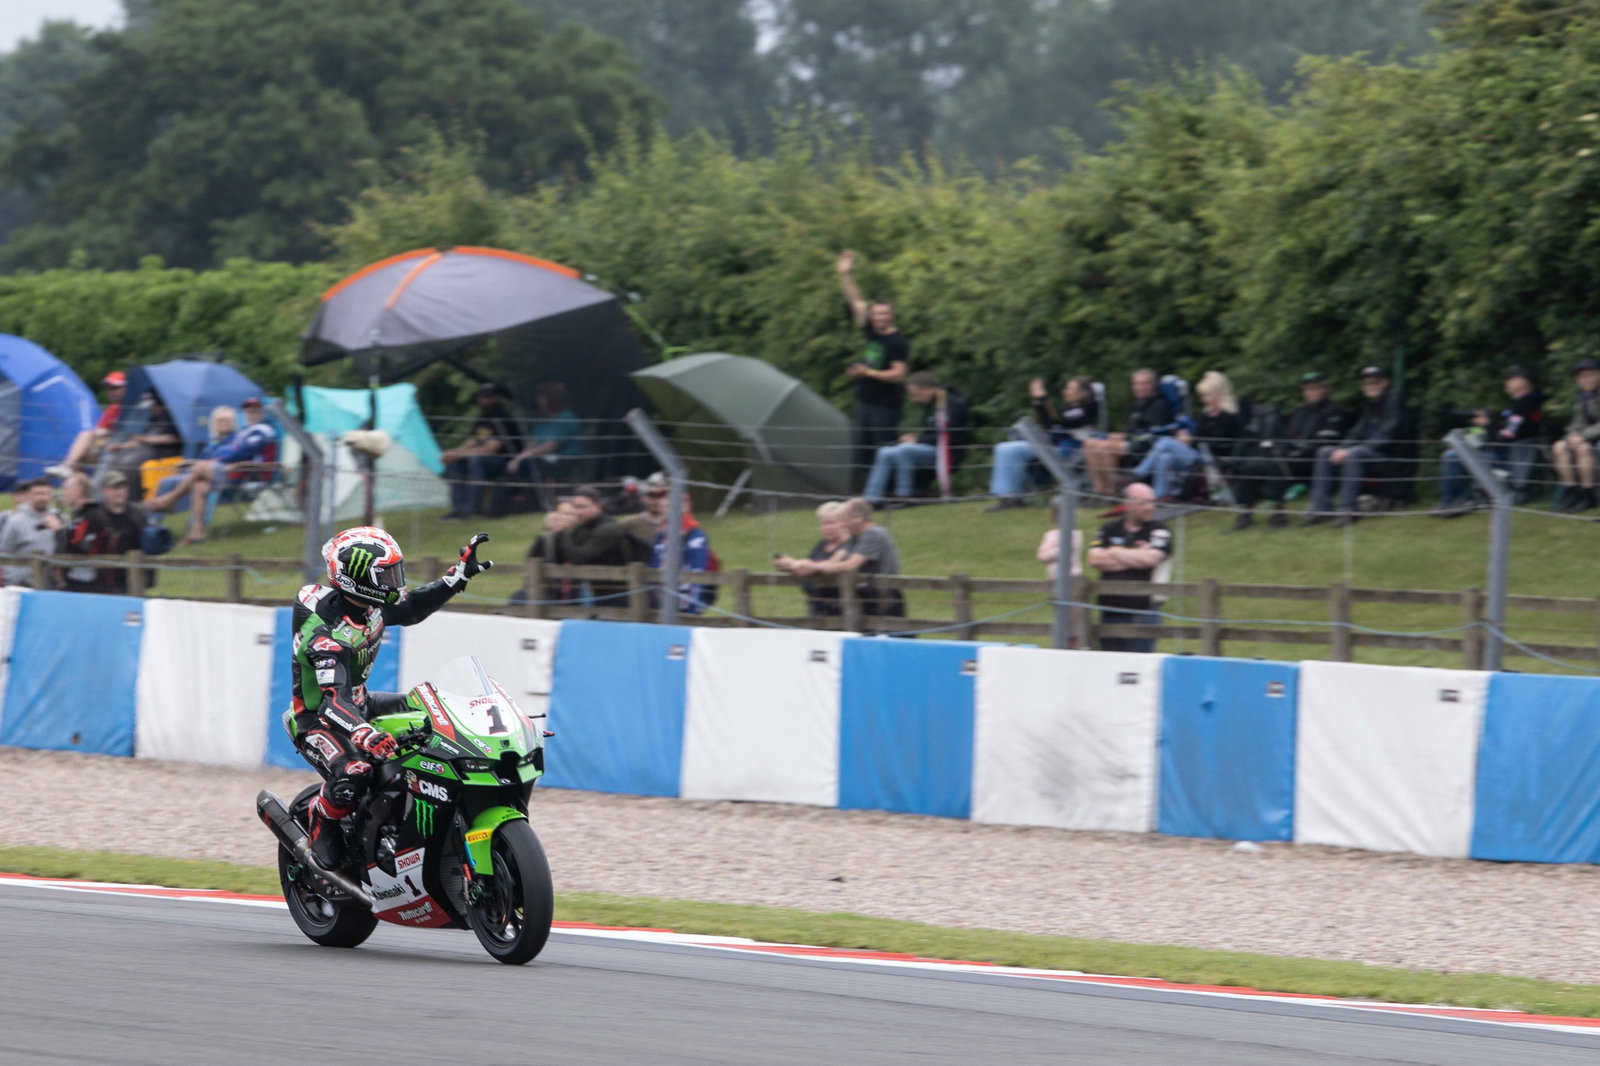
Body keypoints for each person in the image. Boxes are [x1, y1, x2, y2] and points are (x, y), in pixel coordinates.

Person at [290, 526, 493, 868]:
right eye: (385, 575)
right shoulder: (325, 637)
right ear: (357, 579)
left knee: (438, 712)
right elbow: (332, 701)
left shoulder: (369, 606)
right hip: (319, 720)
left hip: (362, 702)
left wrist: (457, 577)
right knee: (355, 771)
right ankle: (321, 819)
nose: (395, 582)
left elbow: (412, 608)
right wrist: (364, 733)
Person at [1229, 371, 1348, 532]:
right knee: (1253, 465)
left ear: (1325, 389)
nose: (1311, 392)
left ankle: (1278, 514)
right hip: (1291, 458)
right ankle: (1245, 512)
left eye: (1315, 388)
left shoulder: (1334, 411)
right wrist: (1283, 451)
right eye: (1307, 389)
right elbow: (1287, 437)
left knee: (1275, 465)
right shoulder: (1300, 411)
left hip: (1315, 461)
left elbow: (1327, 441)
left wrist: (1296, 453)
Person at [148, 398, 278, 544]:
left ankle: (170, 499)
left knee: (200, 468)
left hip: (249, 475)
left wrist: (215, 461)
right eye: (249, 411)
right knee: (199, 485)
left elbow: (243, 452)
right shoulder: (245, 432)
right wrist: (204, 462)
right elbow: (231, 454)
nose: (251, 414)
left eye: (255, 411)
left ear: (262, 412)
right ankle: (197, 531)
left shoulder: (262, 430)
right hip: (227, 471)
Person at [1302, 365, 1412, 527]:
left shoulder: (1394, 401)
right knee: (1325, 451)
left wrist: (1350, 451)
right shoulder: (1370, 404)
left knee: (1355, 453)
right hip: (1368, 453)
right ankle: (1320, 508)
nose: (1370, 386)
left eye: (1374, 382)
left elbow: (1388, 437)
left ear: (1385, 383)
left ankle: (1347, 509)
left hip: (1390, 457)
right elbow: (1356, 432)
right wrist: (1342, 449)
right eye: (1367, 383)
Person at [837, 249, 910, 490]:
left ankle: (892, 494)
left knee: (884, 450)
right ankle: (869, 496)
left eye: (884, 314)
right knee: (864, 451)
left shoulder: (897, 342)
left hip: (884, 406)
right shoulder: (870, 331)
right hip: (864, 402)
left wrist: (868, 373)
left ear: (891, 315)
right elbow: (856, 302)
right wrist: (846, 274)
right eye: (877, 313)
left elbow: (899, 374)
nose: (879, 317)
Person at [1434, 365, 1546, 516]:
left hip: (1509, 461)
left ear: (1524, 381)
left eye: (1510, 378)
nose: (1506, 382)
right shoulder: (1524, 404)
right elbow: (1507, 432)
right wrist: (1490, 425)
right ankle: (1453, 501)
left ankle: (1455, 501)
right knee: (1454, 454)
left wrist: (1488, 424)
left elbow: (1505, 437)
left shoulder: (1524, 405)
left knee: (1452, 456)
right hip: (1508, 457)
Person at [987, 375, 1099, 512]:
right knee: (1006, 448)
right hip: (1052, 446)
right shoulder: (1069, 408)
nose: (1065, 392)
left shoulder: (1087, 409)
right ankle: (1008, 496)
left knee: (1008, 450)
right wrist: (1038, 402)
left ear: (1083, 393)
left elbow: (1059, 419)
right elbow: (1046, 422)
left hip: (1066, 449)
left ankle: (1010, 498)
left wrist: (1043, 398)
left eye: (1070, 389)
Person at [1086, 483, 1172, 654]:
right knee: (1110, 662)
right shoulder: (1108, 529)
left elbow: (1152, 559)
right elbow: (1095, 559)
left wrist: (1114, 551)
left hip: (1144, 612)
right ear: (1129, 504)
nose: (1150, 507)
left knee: (1140, 664)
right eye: (1144, 503)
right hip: (1110, 612)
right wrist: (1137, 554)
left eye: (1152, 502)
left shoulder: (1160, 530)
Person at [862, 372, 971, 505]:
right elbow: (932, 433)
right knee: (884, 452)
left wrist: (918, 440)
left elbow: (947, 436)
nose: (914, 400)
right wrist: (916, 439)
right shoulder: (931, 404)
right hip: (930, 447)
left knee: (904, 450)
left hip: (947, 452)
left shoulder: (949, 403)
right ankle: (871, 499)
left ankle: (904, 495)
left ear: (928, 389)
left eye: (916, 395)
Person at [1133, 370, 1242, 501]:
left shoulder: (1228, 417)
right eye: (1203, 396)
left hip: (1212, 458)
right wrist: (1186, 439)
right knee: (1165, 457)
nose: (1204, 399)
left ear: (1219, 394)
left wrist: (1191, 440)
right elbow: (1199, 438)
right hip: (1198, 454)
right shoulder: (1205, 415)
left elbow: (1219, 443)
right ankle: (1160, 495)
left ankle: (1138, 473)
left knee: (1165, 442)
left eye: (1207, 395)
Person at [789, 497, 904, 619]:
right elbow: (836, 559)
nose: (843, 524)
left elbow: (851, 565)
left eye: (844, 519)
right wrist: (805, 565)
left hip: (885, 601)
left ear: (858, 518)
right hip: (870, 601)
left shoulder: (873, 534)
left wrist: (815, 567)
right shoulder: (855, 537)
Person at [1081, 369, 1177, 497]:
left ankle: (1110, 492)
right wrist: (1120, 436)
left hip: (1146, 447)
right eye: (1136, 384)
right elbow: (1131, 429)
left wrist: (1125, 437)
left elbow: (1149, 434)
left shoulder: (1159, 405)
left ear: (1153, 386)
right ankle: (1098, 490)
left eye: (1143, 384)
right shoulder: (1135, 404)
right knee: (1090, 444)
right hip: (1130, 441)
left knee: (1106, 447)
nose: (1138, 387)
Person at [58, 470, 148, 594]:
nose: (119, 492)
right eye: (114, 488)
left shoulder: (137, 516)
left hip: (130, 581)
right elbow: (77, 544)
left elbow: (147, 547)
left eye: (122, 488)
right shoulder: (94, 515)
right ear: (104, 491)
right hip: (99, 582)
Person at [442, 383, 522, 519]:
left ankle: (474, 508)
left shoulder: (503, 419)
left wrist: (458, 454)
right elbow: (472, 442)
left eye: (490, 397)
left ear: (498, 398)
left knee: (476, 460)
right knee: (458, 463)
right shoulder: (482, 420)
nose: (485, 401)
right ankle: (458, 509)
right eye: (483, 397)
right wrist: (452, 454)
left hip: (504, 461)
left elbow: (490, 449)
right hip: (484, 460)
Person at [501, 382, 582, 514]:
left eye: (541, 397)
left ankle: (535, 505)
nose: (538, 400)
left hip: (563, 459)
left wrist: (520, 459)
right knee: (519, 465)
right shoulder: (543, 419)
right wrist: (518, 458)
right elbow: (533, 442)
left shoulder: (566, 418)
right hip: (543, 459)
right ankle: (503, 507)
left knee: (527, 465)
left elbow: (550, 446)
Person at [552, 485, 634, 604]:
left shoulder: (609, 529)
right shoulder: (581, 528)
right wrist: (557, 534)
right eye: (576, 507)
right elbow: (561, 557)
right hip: (597, 592)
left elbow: (579, 557)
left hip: (623, 594)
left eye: (583, 507)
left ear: (598, 506)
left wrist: (563, 532)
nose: (578, 512)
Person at [644, 484, 715, 615]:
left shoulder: (695, 536)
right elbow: (653, 568)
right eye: (664, 500)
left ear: (686, 505)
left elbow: (697, 573)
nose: (665, 503)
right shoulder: (660, 534)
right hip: (658, 605)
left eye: (671, 501)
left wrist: (693, 610)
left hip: (684, 606)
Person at [774, 500, 850, 616]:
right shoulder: (822, 545)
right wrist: (791, 565)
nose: (827, 528)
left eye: (832, 523)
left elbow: (831, 565)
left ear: (844, 523)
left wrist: (802, 565)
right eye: (823, 524)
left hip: (840, 610)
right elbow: (810, 564)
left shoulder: (849, 546)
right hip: (817, 609)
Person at [47, 370, 126, 479]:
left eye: (114, 388)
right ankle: (71, 476)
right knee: (82, 450)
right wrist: (100, 437)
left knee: (86, 435)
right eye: (108, 388)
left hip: (120, 446)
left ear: (125, 388)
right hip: (105, 444)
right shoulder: (112, 409)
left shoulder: (132, 407)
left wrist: (103, 434)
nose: (110, 391)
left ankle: (67, 467)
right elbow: (99, 430)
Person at [102, 393, 182, 500]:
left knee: (129, 465)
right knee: (116, 460)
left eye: (153, 405)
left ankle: (133, 499)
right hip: (145, 450)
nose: (151, 408)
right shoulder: (153, 419)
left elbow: (173, 438)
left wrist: (147, 439)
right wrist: (120, 447)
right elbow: (139, 441)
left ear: (160, 406)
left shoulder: (172, 420)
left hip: (163, 453)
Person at [1552, 358, 1600, 512]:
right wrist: (1571, 438)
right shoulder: (1582, 398)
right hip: (1588, 437)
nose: (1586, 379)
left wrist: (1582, 437)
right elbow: (1576, 424)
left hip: (1593, 438)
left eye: (1589, 375)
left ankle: (1588, 492)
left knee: (1583, 449)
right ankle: (1571, 490)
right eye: (1582, 377)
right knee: (1559, 447)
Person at [0, 478, 65, 587]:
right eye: (38, 494)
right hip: (22, 583)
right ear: (30, 495)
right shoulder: (16, 521)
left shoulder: (58, 517)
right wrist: (13, 579)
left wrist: (60, 530)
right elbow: (4, 552)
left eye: (46, 493)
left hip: (51, 582)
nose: (42, 498)